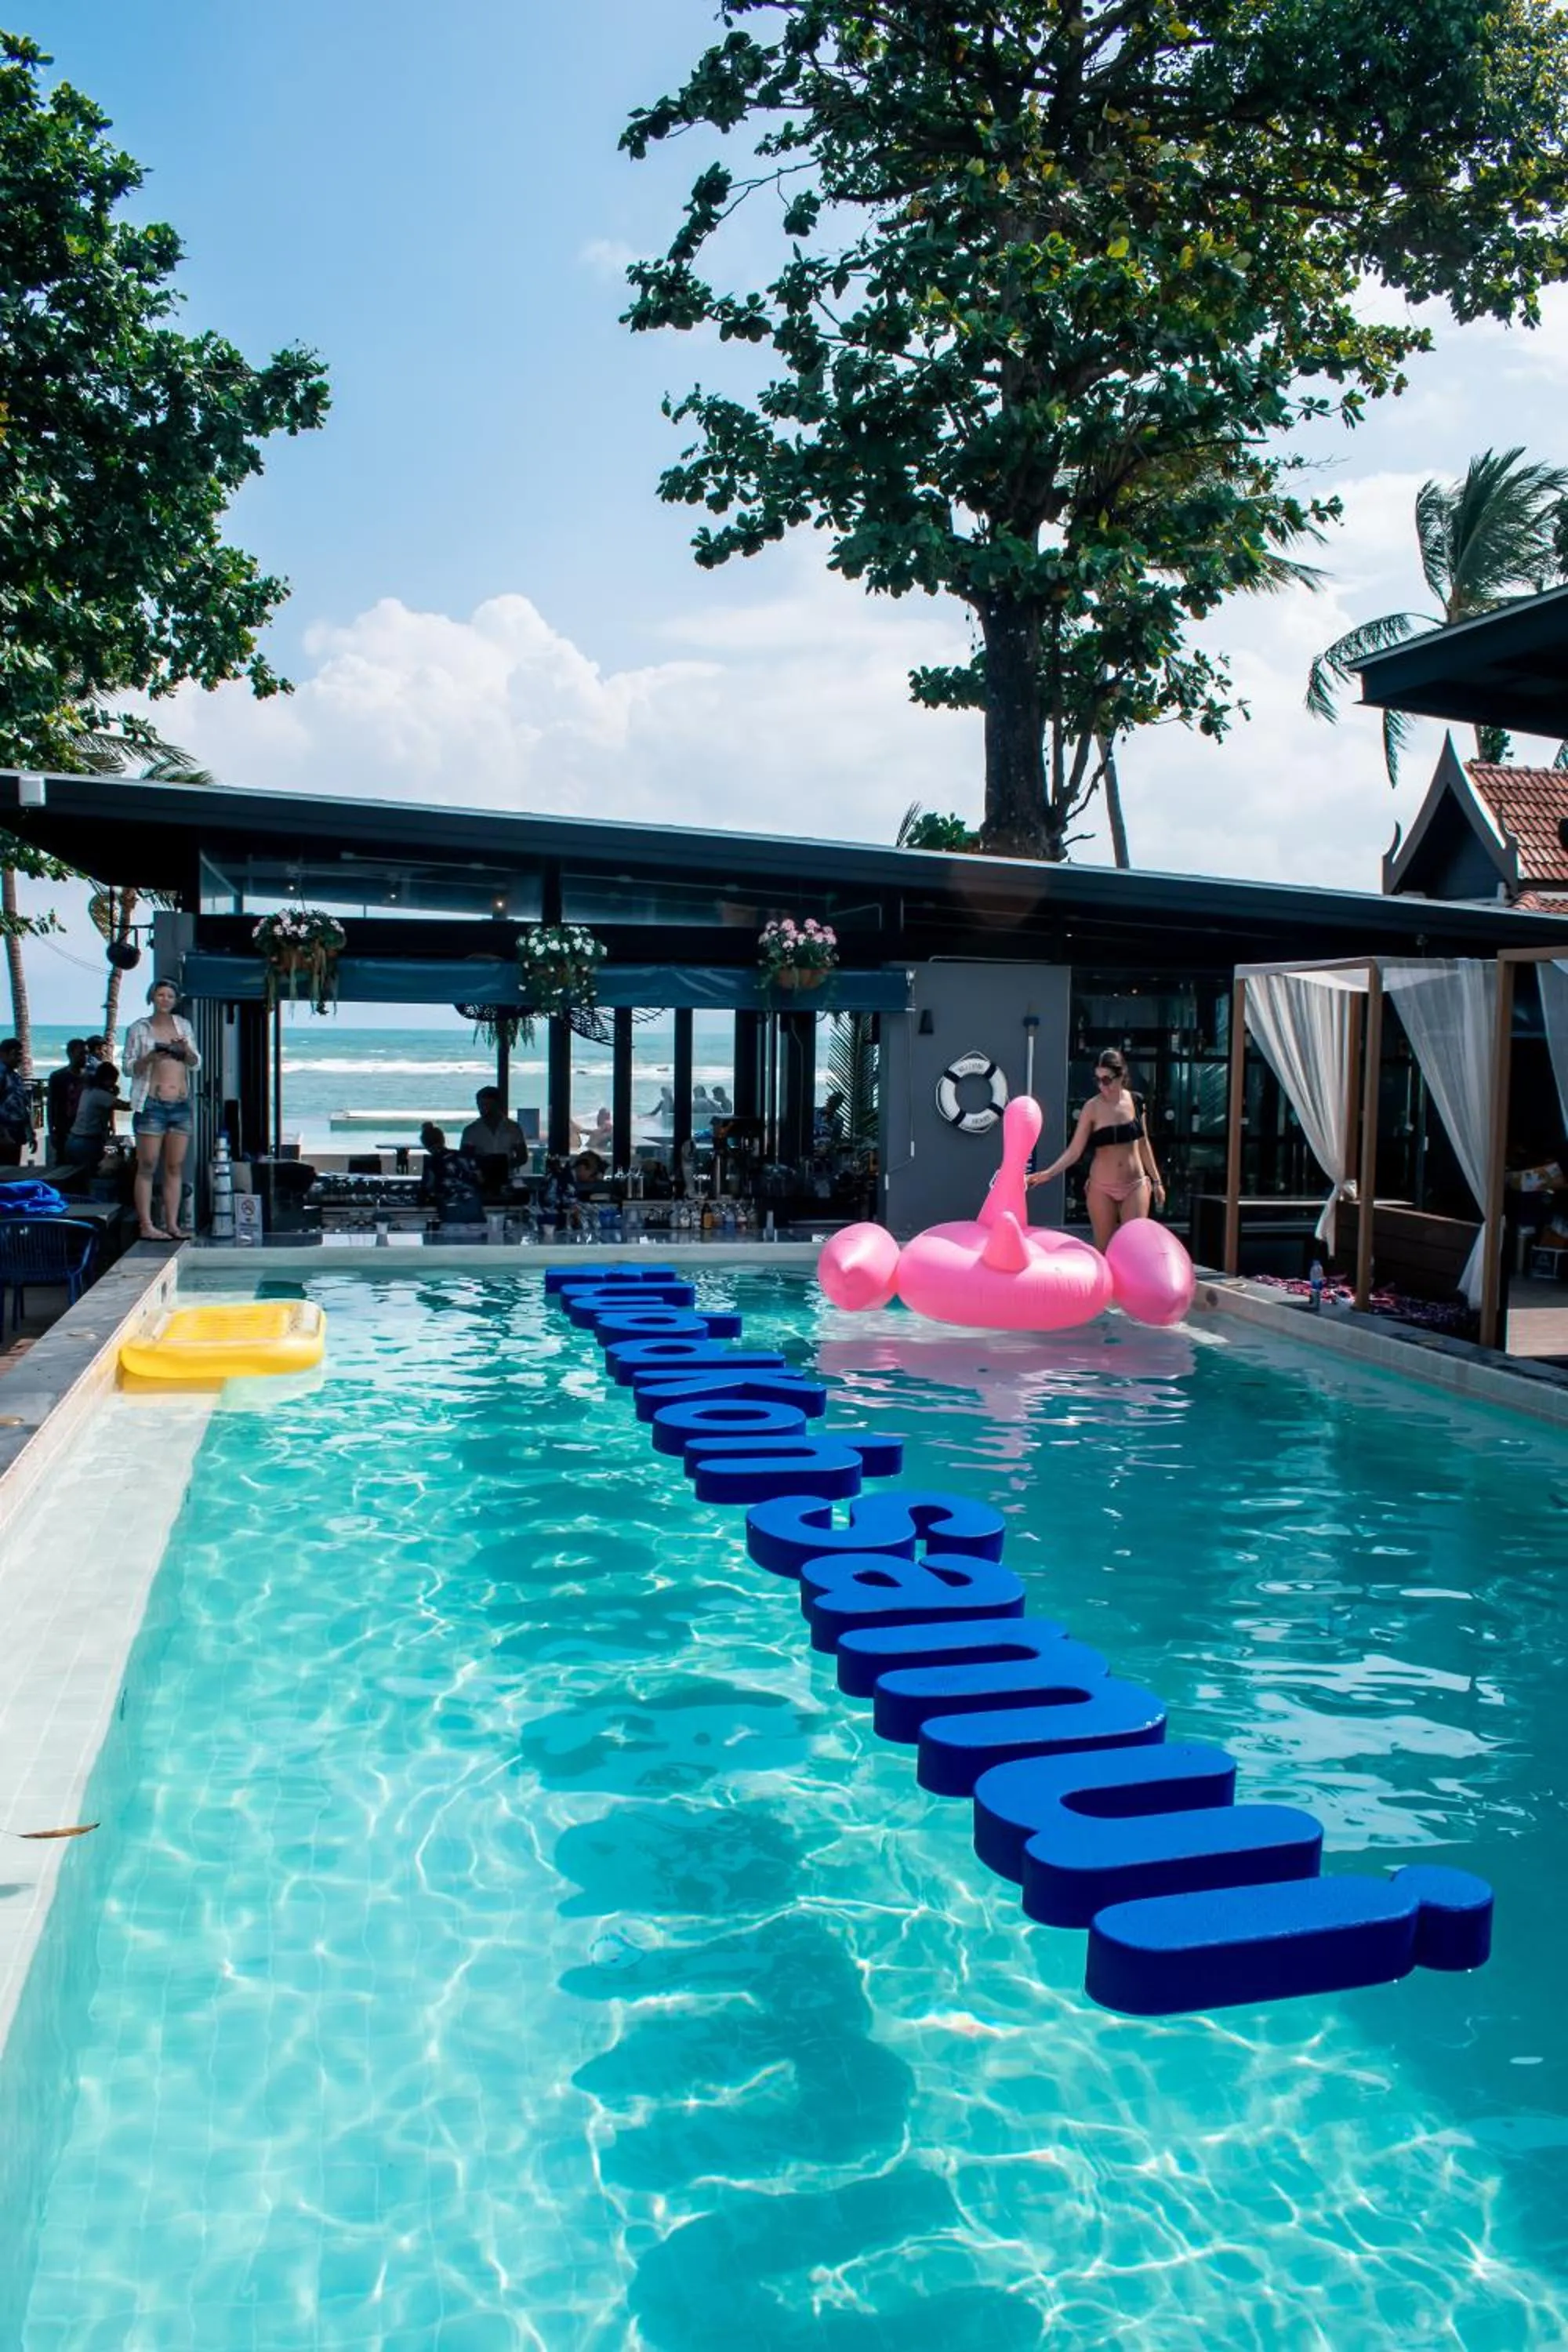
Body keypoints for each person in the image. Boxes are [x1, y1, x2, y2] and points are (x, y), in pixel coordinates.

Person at [1026, 1045, 1167, 1250]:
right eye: (1098, 1080)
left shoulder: (1136, 1101)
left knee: (1134, 1247)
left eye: (1107, 1079)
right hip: (1103, 1187)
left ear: (1121, 1075)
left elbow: (1144, 1143)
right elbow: (1075, 1150)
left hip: (1134, 1185)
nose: (1103, 1086)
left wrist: (1156, 1181)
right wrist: (1049, 1173)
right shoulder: (1092, 1108)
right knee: (1104, 1248)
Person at [123, 978, 201, 1241]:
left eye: (170, 996)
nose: (165, 999)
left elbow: (195, 1063)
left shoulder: (184, 1026)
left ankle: (172, 1224)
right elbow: (128, 1067)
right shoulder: (139, 1028)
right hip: (152, 1104)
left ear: (175, 1000)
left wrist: (184, 1049)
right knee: (146, 1165)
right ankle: (146, 1225)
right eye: (160, 995)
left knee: (175, 1166)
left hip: (180, 1104)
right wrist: (150, 1057)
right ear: (152, 997)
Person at [63, 1062, 122, 1176]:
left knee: (75, 1178)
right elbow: (126, 1106)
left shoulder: (88, 1091)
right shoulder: (101, 1095)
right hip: (87, 1143)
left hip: (73, 1139)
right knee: (91, 1178)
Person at [417, 1121, 483, 1223]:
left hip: (451, 1207)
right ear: (443, 1139)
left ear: (425, 1144)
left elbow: (427, 1187)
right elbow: (480, 1179)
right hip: (474, 1204)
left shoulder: (432, 1161)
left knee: (452, 1237)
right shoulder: (464, 1156)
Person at [46, 1039, 89, 1163]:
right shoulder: (58, 1077)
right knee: (64, 1166)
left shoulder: (91, 1077)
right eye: (81, 1054)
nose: (85, 1057)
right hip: (64, 1129)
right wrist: (51, 1130)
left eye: (87, 1053)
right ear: (70, 1054)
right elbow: (51, 1105)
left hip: (86, 1130)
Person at [0, 1039, 33, 1166]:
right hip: (5, 1133)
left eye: (20, 1054)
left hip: (16, 1132)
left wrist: (30, 1132)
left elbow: (22, 1106)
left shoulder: (14, 1076)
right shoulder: (1, 1075)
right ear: (3, 1054)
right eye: (16, 1054)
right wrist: (3, 1135)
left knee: (12, 1170)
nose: (19, 1058)